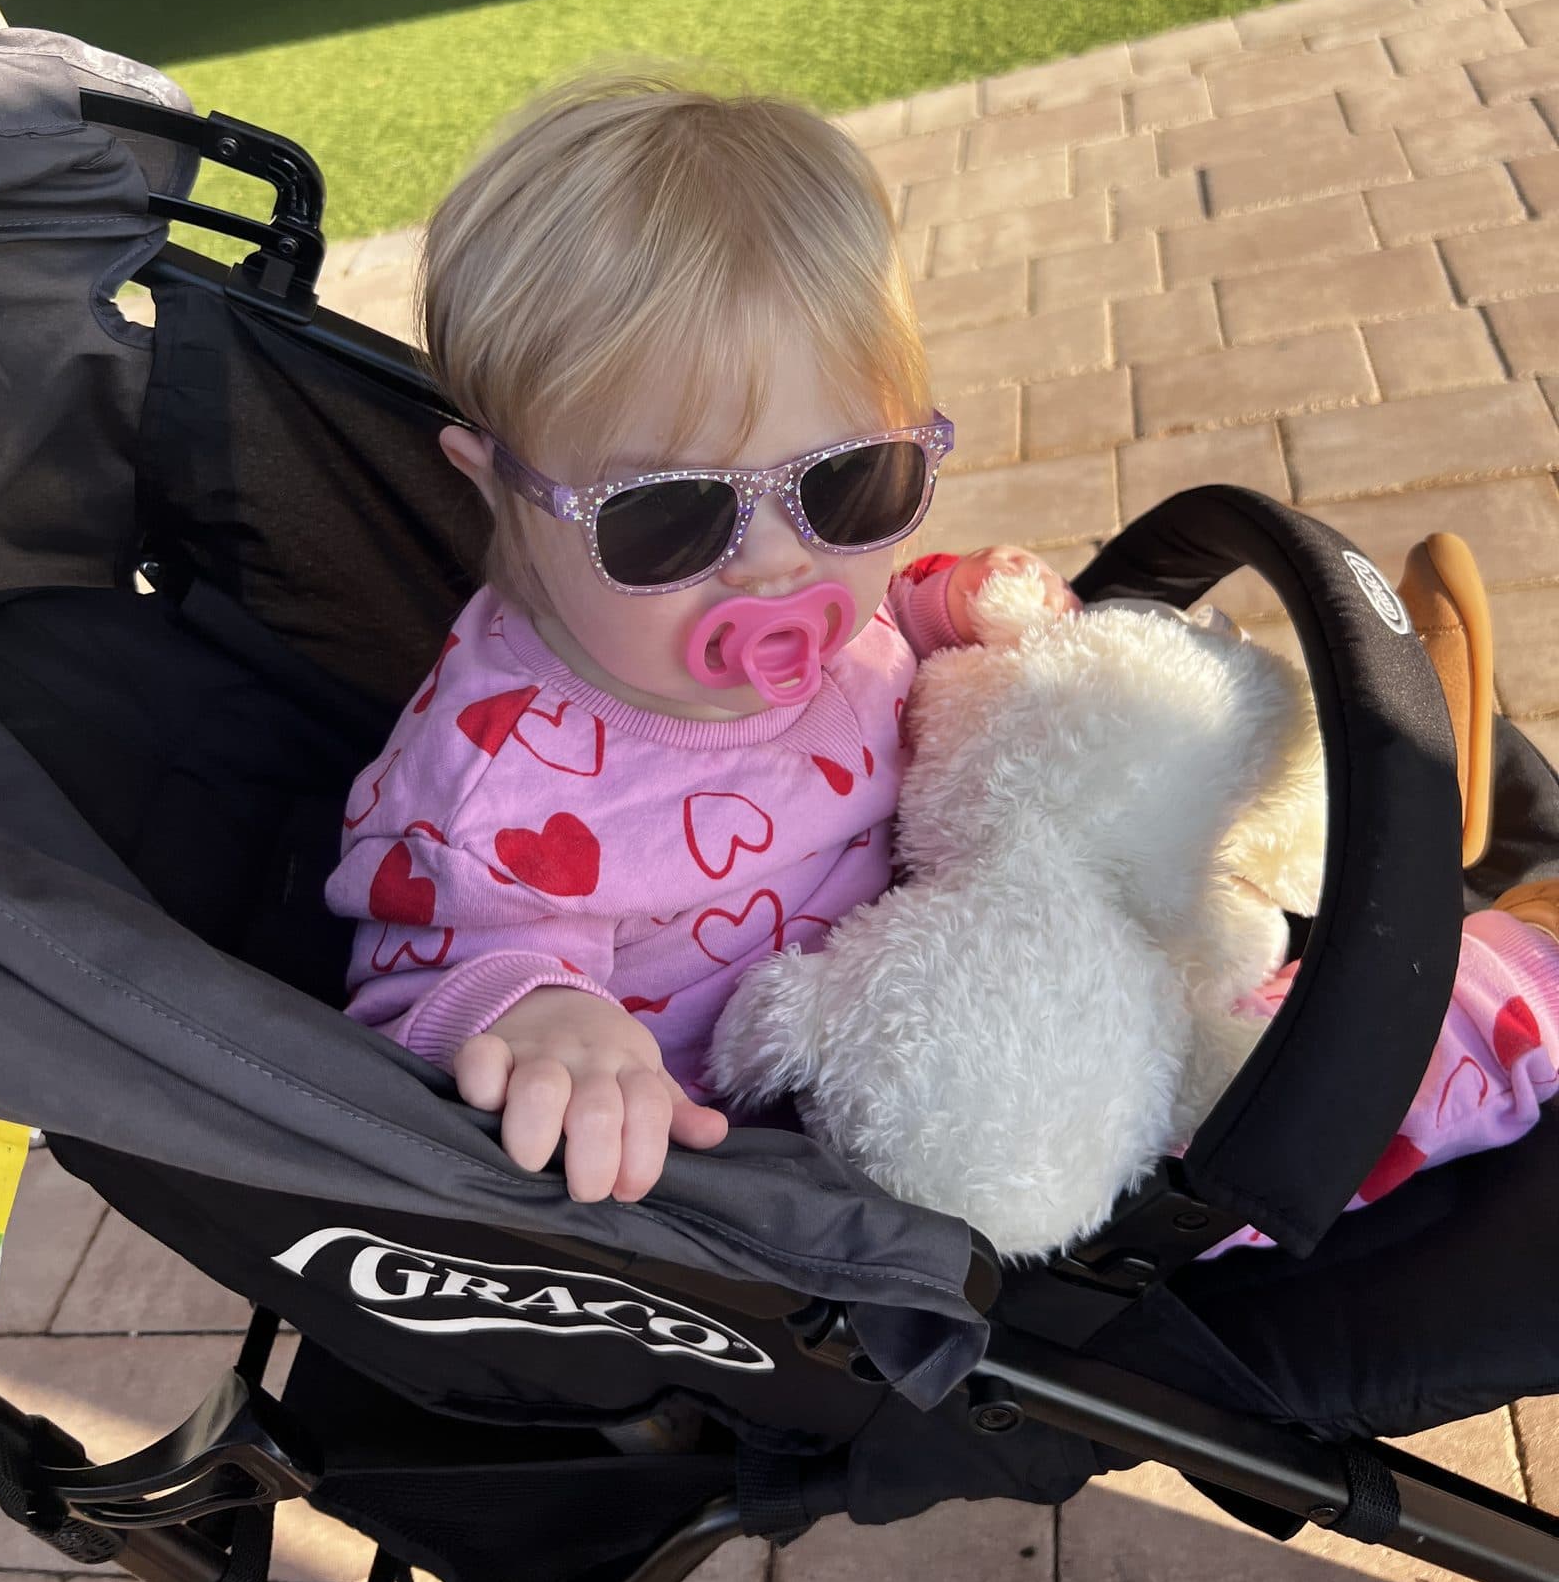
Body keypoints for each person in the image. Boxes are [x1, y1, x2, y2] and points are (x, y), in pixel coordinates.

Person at [328, 68, 1558, 1218]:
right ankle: (1512, 991)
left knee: (1108, 707)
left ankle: (1334, 801)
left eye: (851, 483)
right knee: (1251, 1092)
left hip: (979, 898)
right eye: (668, 515)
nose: (776, 566)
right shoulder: (490, 795)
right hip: (883, 1117)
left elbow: (871, 617)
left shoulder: (784, 592)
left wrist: (932, 603)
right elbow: (418, 978)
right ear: (493, 492)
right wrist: (538, 1015)